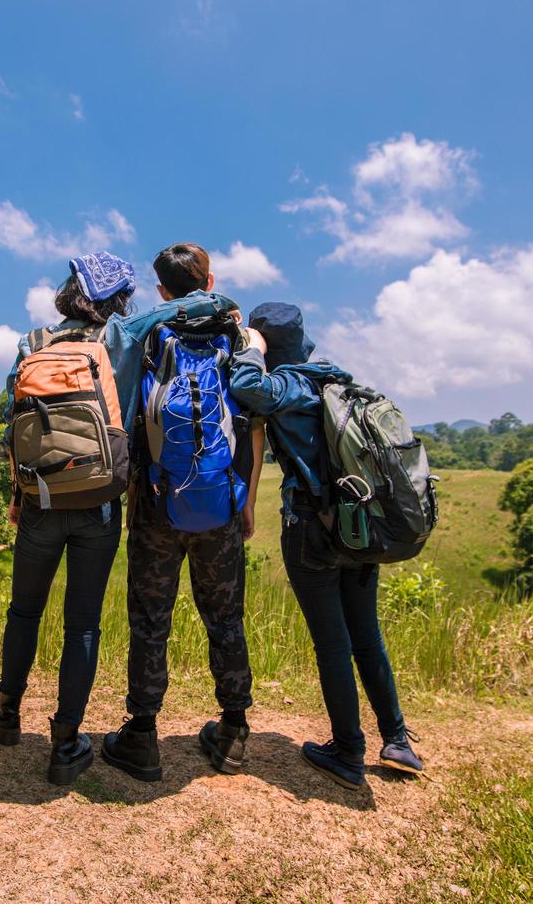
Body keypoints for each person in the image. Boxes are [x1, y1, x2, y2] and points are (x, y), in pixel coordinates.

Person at [228, 302, 423, 790]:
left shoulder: (290, 384)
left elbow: (248, 387)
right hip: (359, 527)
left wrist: (251, 350)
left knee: (333, 643)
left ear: (268, 343)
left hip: (312, 530)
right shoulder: (334, 380)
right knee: (366, 635)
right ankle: (396, 739)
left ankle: (348, 750)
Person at [0, 250, 136, 785]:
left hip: (40, 497)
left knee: (25, 611)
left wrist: (18, 494)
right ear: (117, 299)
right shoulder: (122, 341)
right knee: (81, 623)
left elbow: (16, 421)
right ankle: (66, 742)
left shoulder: (32, 343)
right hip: (99, 501)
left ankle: (6, 710)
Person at [98, 243, 258, 782]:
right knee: (226, 616)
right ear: (209, 279)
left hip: (156, 501)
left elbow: (120, 411)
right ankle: (233, 731)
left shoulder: (146, 335)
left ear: (161, 291)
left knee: (149, 620)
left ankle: (142, 736)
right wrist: (248, 500)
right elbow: (251, 422)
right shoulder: (234, 335)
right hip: (221, 503)